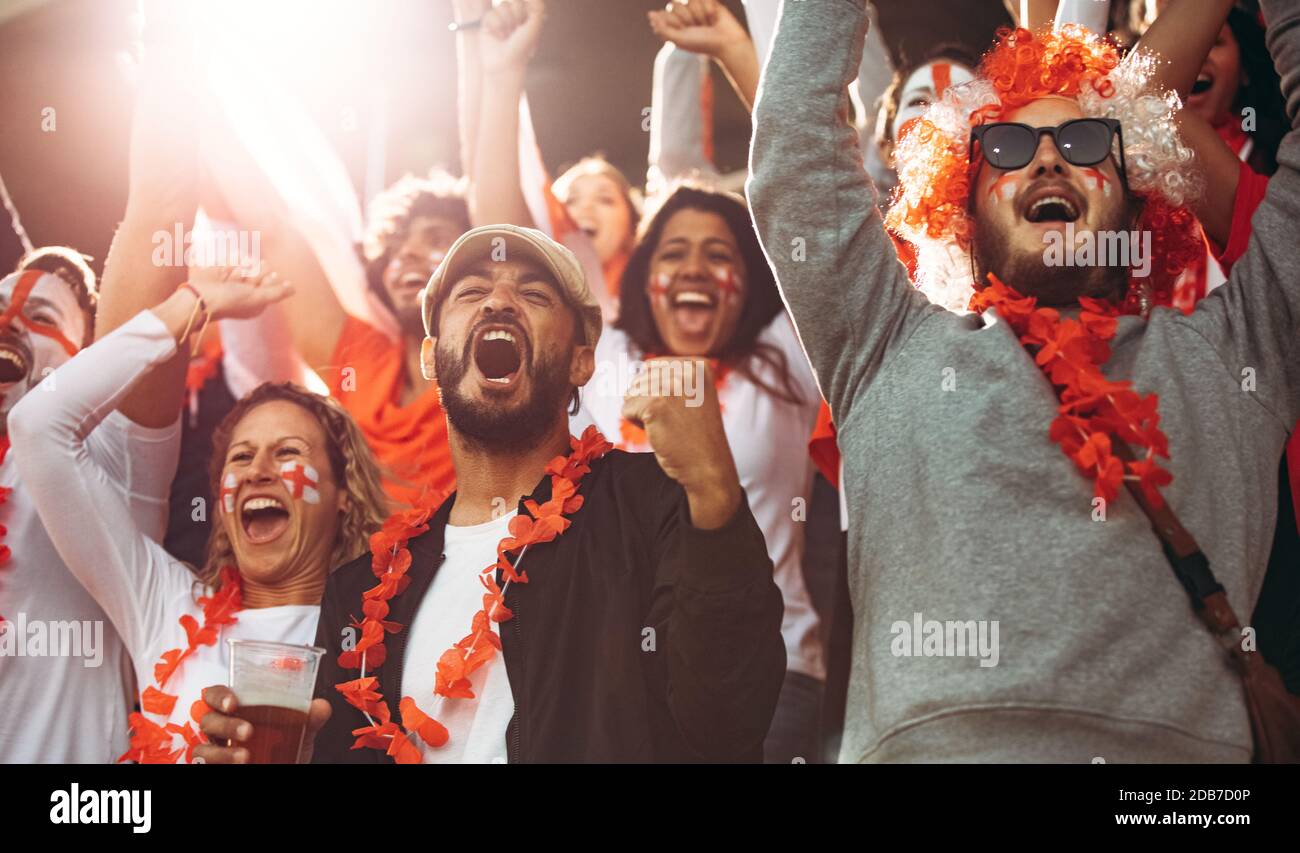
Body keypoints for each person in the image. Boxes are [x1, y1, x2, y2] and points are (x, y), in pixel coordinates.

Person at [750, 0, 1300, 762]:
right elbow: (793, 146)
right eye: (1005, 147)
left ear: (1138, 200)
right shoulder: (883, 347)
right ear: (964, 213)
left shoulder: (1236, 352)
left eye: (1082, 141)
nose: (1045, 159)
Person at [197, 224, 786, 763]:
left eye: (533, 295)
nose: (499, 301)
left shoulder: (652, 507)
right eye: (471, 291)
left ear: (583, 361)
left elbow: (728, 723)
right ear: (432, 357)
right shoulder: (367, 588)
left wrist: (712, 489)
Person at [9, 267, 389, 763]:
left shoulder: (377, 637)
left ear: (344, 491)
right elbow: (38, 425)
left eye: (288, 452)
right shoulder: (165, 602)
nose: (257, 471)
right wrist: (191, 304)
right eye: (241, 456)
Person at [575, 184, 825, 763]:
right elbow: (515, 236)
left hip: (771, 672)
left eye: (719, 255)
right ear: (643, 277)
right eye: (672, 253)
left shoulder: (788, 357)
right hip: (615, 679)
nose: (694, 267)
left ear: (750, 282)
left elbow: (812, 204)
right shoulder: (606, 358)